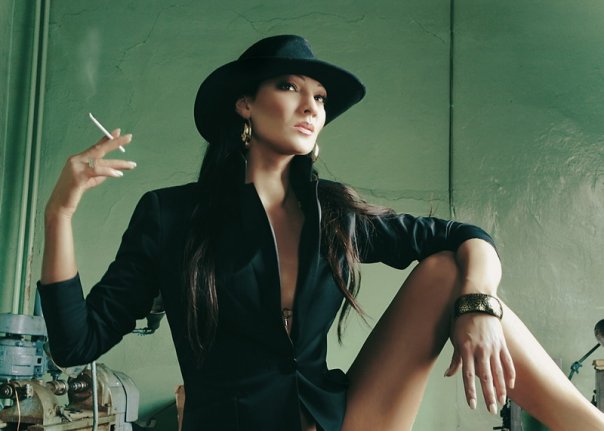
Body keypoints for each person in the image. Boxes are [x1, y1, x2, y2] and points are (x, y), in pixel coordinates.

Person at [38, 35, 604, 431]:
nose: (311, 105)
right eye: (290, 86)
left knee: (446, 269)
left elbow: (466, 235)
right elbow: (76, 344)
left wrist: (479, 306)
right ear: (245, 104)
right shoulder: (171, 215)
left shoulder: (335, 213)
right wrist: (59, 214)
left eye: (321, 98)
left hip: (340, 421)